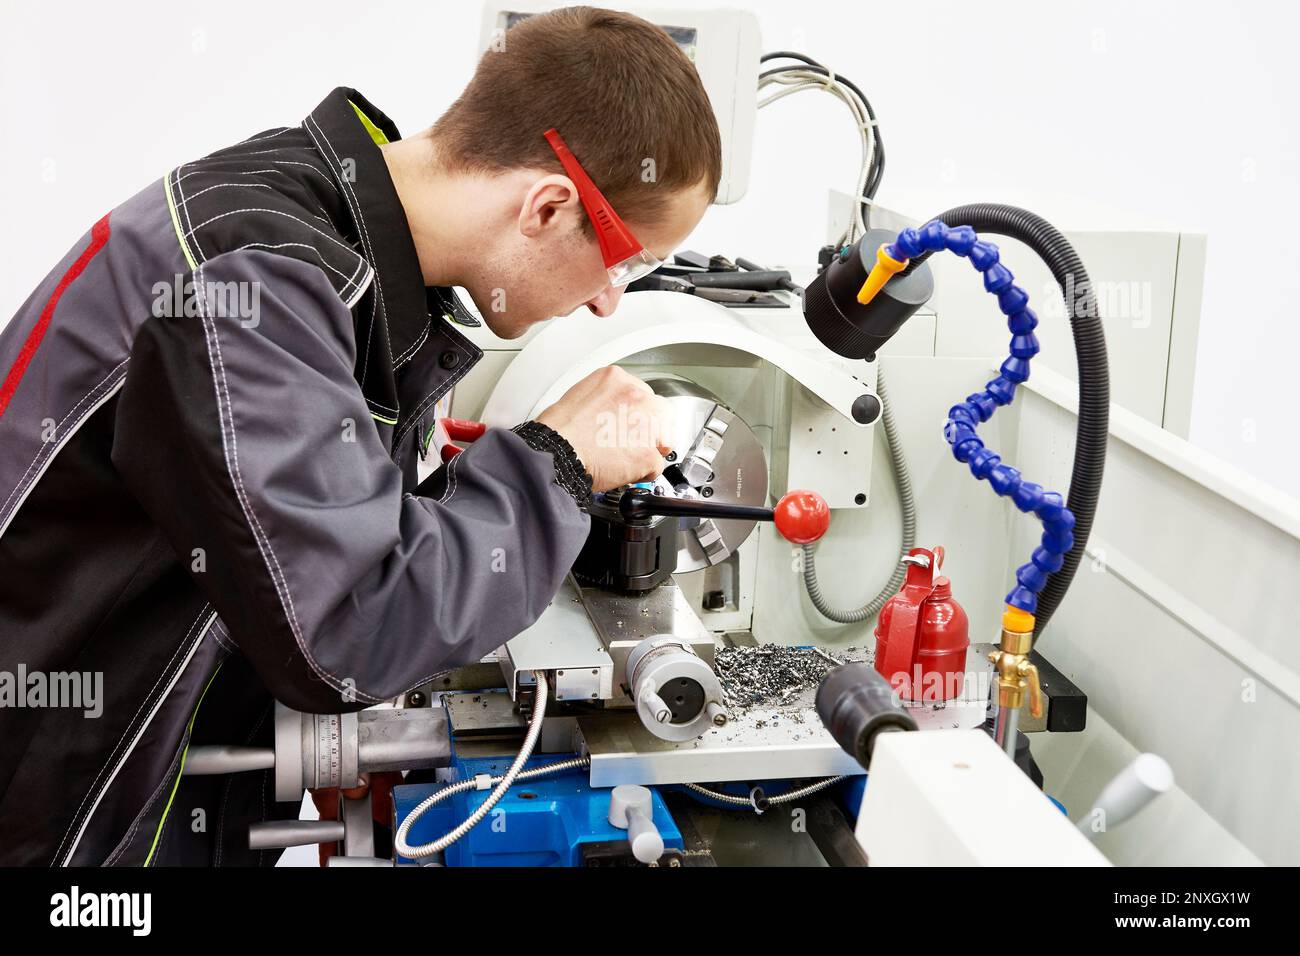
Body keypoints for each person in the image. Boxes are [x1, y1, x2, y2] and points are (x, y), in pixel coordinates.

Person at [0, 5, 721, 865]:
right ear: (548, 205)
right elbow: (347, 626)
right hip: (67, 816)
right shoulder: (258, 282)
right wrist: (557, 464)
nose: (611, 299)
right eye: (625, 260)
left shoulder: (327, 226)